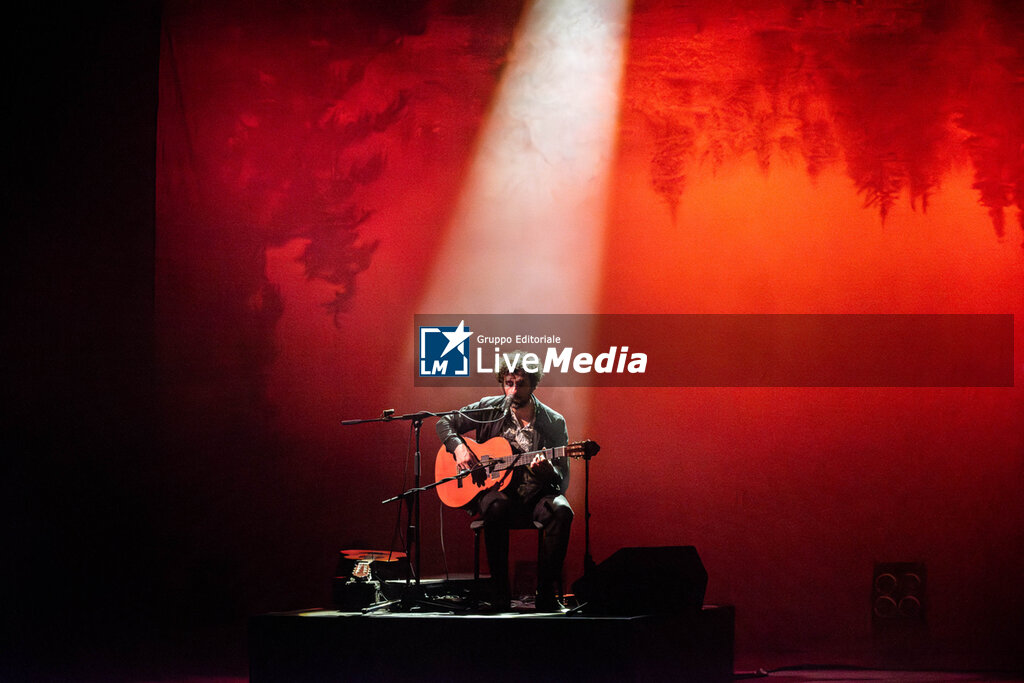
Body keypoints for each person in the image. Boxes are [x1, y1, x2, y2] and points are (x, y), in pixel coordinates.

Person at [436, 355, 572, 612]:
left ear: (533, 384)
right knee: (495, 507)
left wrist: (547, 472)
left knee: (563, 510)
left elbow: (562, 480)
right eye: (508, 383)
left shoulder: (554, 421)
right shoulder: (489, 407)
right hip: (497, 493)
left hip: (536, 498)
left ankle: (546, 595)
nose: (513, 390)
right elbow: (444, 422)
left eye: (520, 384)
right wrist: (459, 449)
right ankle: (500, 595)